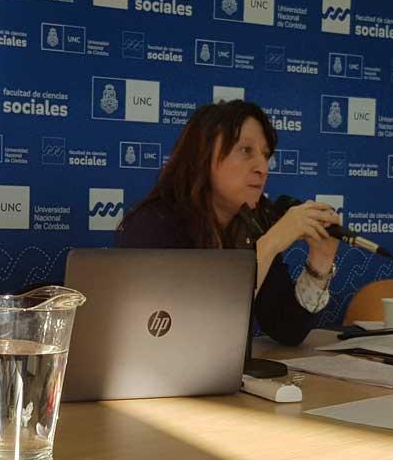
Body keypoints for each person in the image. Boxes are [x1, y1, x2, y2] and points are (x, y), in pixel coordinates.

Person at [116, 100, 341, 345]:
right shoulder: (154, 224)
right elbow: (191, 334)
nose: (263, 168)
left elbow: (286, 329)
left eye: (266, 155)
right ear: (203, 156)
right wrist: (271, 243)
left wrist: (320, 262)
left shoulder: (253, 224)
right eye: (246, 151)